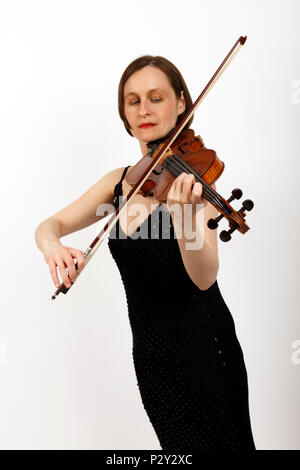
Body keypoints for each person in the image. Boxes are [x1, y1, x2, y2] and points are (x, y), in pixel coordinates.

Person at [35, 55, 256, 450]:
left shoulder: (194, 179)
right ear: (124, 112)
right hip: (152, 360)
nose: (145, 109)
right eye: (133, 100)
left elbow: (204, 277)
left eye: (156, 97)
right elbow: (48, 227)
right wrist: (54, 248)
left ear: (182, 102)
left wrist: (186, 218)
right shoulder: (120, 183)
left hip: (206, 351)